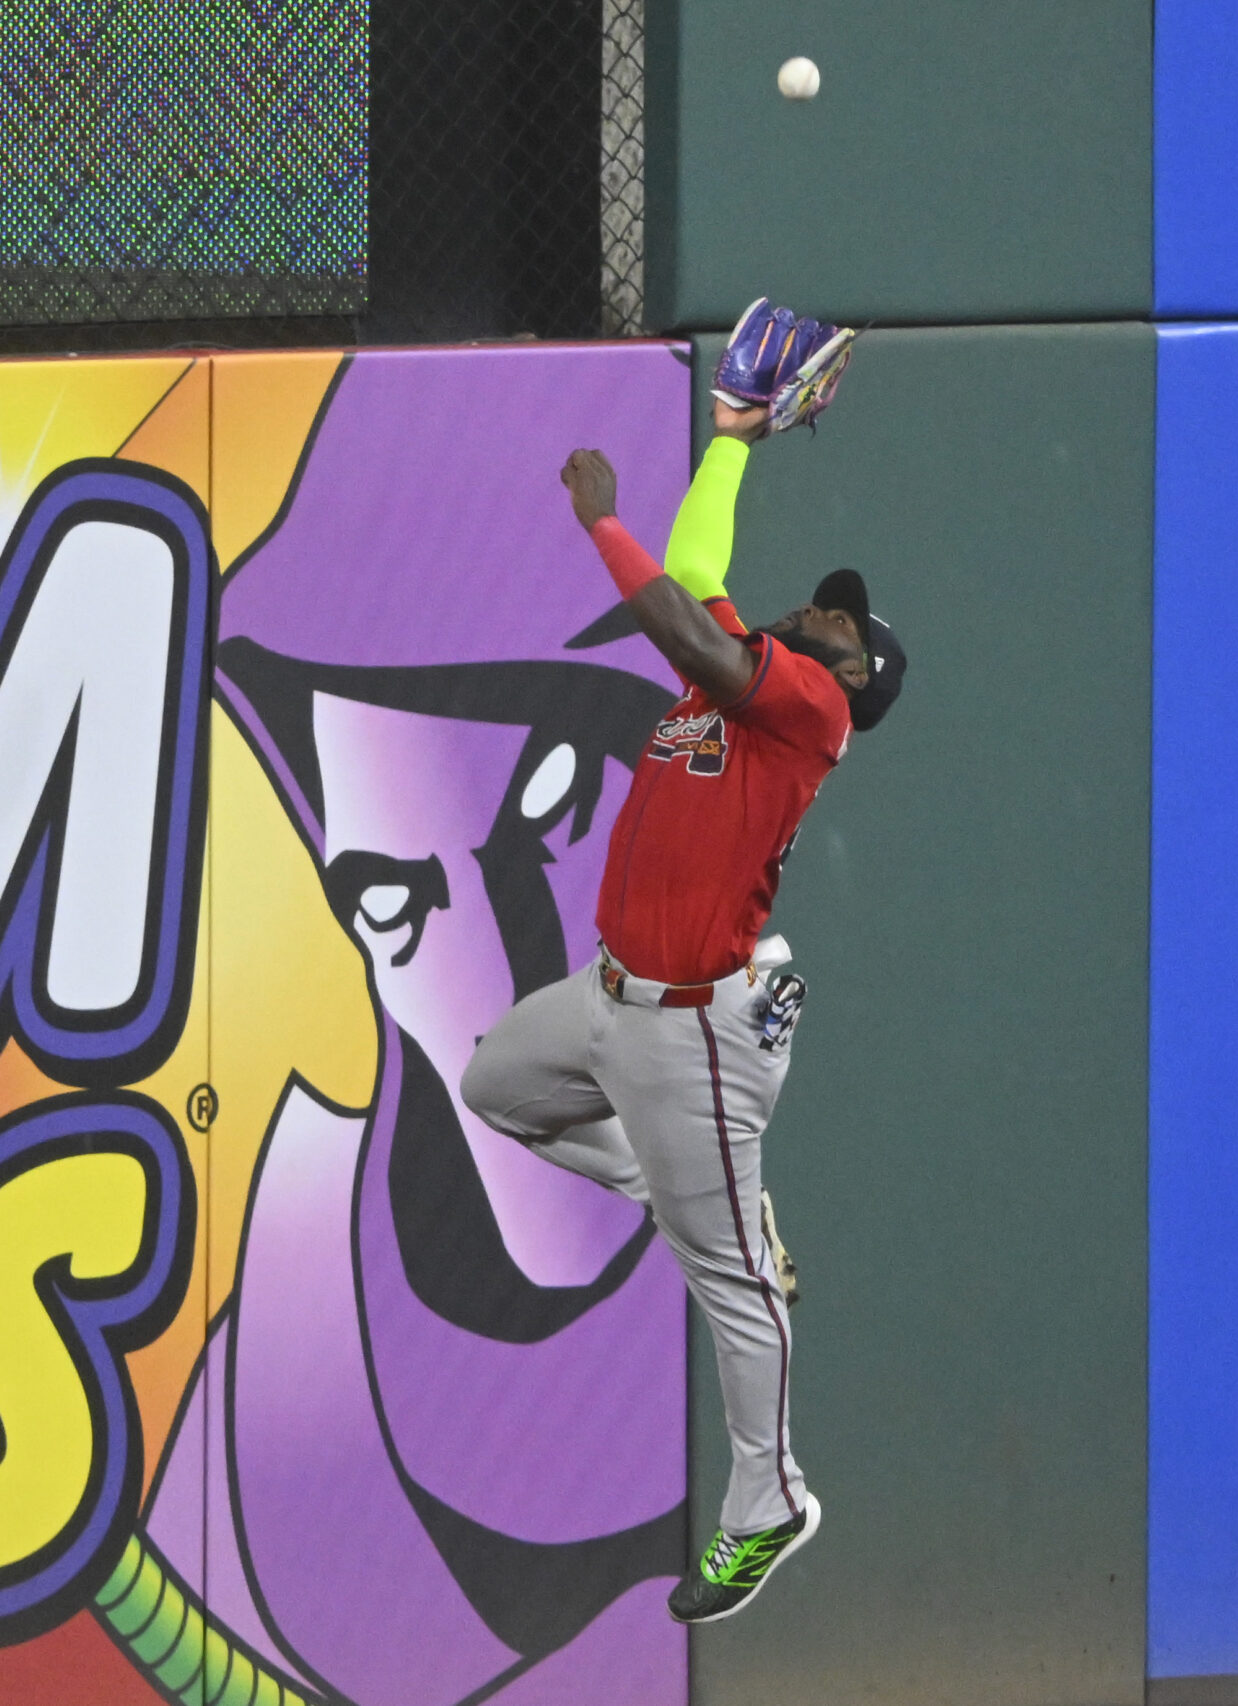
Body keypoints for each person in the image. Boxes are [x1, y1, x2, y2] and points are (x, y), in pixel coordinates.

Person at [459, 298, 907, 1626]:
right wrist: (733, 439)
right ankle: (704, 1190)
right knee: (496, 1085)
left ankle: (767, 1498)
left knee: (732, 1287)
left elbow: (680, 619)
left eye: (839, 620)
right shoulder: (744, 673)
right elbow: (701, 573)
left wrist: (600, 519)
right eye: (823, 607)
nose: (821, 612)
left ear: (855, 673)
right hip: (605, 1004)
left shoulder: (807, 709)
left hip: (686, 1029)